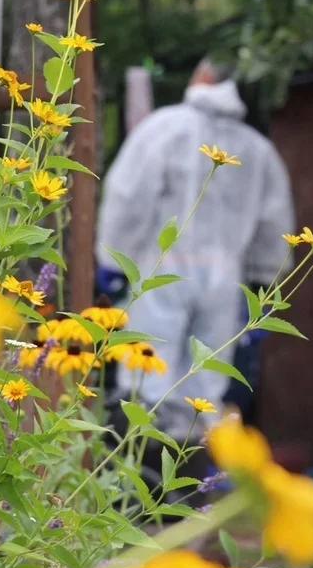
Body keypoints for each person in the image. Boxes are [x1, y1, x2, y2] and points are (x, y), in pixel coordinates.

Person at [96, 57, 294, 441]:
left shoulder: (163, 129)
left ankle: (140, 475)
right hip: (225, 276)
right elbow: (274, 222)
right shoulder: (256, 148)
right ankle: (192, 478)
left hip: (162, 267)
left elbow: (128, 197)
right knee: (206, 384)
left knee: (146, 376)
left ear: (201, 77)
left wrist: (113, 257)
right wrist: (264, 282)